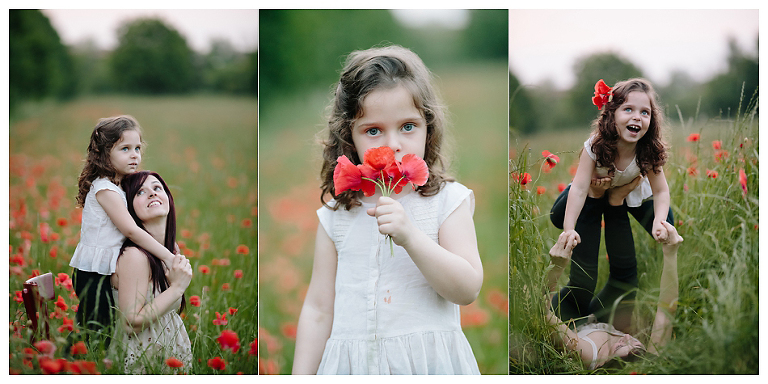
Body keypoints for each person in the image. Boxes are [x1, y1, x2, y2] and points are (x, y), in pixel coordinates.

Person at [292, 45, 483, 375]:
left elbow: (467, 289)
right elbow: (319, 309)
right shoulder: (338, 215)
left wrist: (410, 236)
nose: (392, 144)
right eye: (373, 130)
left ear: (428, 128)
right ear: (349, 137)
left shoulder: (446, 201)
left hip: (425, 365)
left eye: (408, 126)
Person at [549, 79, 674, 327]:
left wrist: (660, 222)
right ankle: (563, 311)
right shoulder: (595, 146)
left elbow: (661, 192)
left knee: (668, 225)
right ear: (612, 114)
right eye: (628, 109)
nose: (637, 117)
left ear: (652, 120)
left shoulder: (648, 150)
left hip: (627, 193)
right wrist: (569, 228)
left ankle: (604, 313)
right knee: (561, 213)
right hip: (591, 192)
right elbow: (581, 187)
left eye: (644, 112)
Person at [69, 116, 180, 347]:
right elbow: (130, 230)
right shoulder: (104, 189)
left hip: (106, 268)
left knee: (104, 327)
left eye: (137, 148)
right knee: (96, 328)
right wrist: (167, 256)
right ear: (104, 154)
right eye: (125, 149)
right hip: (92, 272)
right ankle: (69, 361)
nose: (134, 155)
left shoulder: (120, 185)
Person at [545, 211, 682, 370]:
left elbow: (542, 314)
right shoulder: (648, 362)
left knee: (584, 283)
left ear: (606, 363)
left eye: (622, 344)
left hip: (572, 319)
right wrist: (671, 253)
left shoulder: (587, 354)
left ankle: (591, 200)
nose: (627, 337)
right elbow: (666, 310)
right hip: (604, 319)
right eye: (637, 344)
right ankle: (616, 202)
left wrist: (556, 268)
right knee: (625, 285)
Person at [110, 171, 193, 373]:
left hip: (167, 352)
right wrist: (177, 288)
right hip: (141, 359)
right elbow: (131, 323)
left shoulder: (171, 250)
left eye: (157, 188)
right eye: (140, 192)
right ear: (127, 209)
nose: (152, 194)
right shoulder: (134, 256)